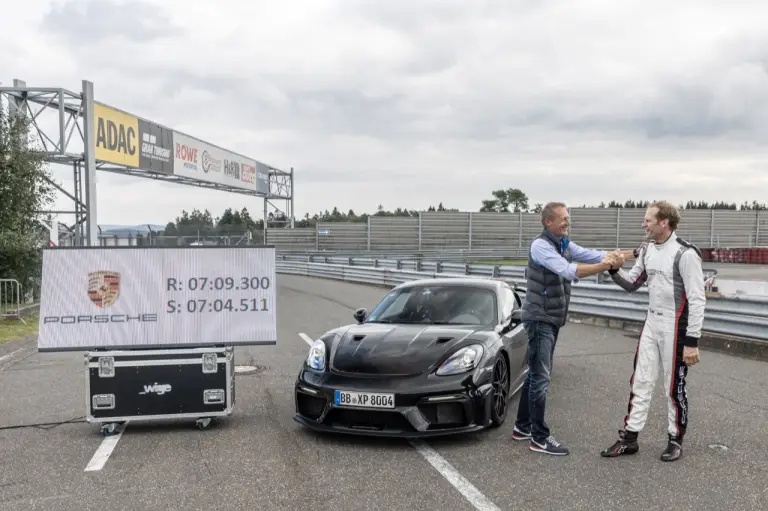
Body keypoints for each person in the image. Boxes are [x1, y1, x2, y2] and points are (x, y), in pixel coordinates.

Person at [511, 202, 633, 456]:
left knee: (535, 374)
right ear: (548, 222)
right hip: (539, 319)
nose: (568, 222)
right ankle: (539, 438)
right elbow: (567, 271)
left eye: (568, 218)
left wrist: (629, 254)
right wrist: (606, 266)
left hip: (550, 318)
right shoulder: (541, 246)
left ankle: (522, 427)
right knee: (542, 378)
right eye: (563, 219)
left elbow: (592, 254)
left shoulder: (564, 243)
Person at [599, 200, 705, 462]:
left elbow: (698, 299)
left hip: (676, 327)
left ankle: (675, 439)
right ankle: (630, 438)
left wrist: (692, 341)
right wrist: (613, 269)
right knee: (641, 381)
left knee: (673, 386)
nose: (643, 223)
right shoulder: (647, 249)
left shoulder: (686, 253)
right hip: (651, 323)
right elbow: (632, 283)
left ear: (664, 223)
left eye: (648, 219)